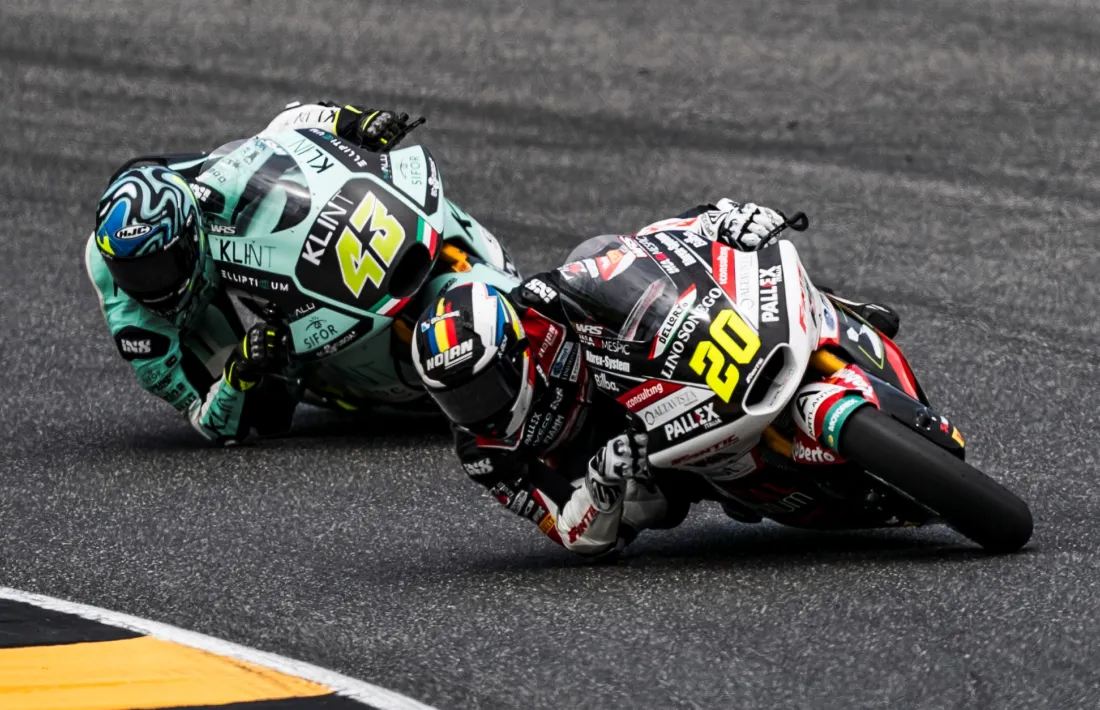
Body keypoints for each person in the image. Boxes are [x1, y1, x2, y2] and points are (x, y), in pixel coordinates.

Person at [411, 200, 900, 556]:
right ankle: (732, 477)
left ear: (513, 347)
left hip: (649, 376)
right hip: (638, 462)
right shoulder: (484, 456)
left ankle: (830, 304)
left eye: (480, 388)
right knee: (645, 508)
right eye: (457, 399)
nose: (477, 410)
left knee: (632, 261)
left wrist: (719, 221)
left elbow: (640, 251)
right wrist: (601, 485)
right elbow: (569, 532)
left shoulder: (537, 303)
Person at [85, 102, 503, 445]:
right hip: (192, 322)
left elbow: (282, 128)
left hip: (221, 251)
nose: (152, 283)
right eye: (135, 273)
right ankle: (334, 380)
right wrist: (239, 372)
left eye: (161, 266)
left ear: (189, 234)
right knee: (267, 411)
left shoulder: (196, 188)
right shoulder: (141, 330)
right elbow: (206, 421)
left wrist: (355, 123)